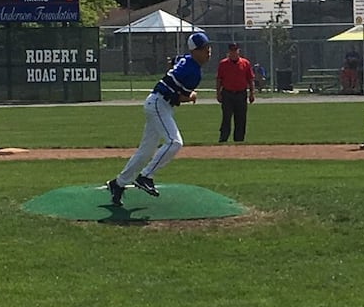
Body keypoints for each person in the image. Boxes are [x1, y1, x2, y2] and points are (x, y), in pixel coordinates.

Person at [107, 31, 212, 202]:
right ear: (194, 52)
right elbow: (178, 97)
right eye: (203, 49)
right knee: (175, 142)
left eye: (208, 47)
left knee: (145, 151)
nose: (207, 51)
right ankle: (145, 176)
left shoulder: (187, 60)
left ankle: (117, 184)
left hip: (157, 103)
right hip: (159, 104)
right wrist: (192, 96)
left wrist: (173, 65)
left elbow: (175, 60)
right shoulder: (193, 71)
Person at [215, 42, 255, 143]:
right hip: (227, 94)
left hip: (241, 94)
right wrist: (218, 93)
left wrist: (252, 93)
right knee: (226, 118)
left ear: (238, 51)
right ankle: (223, 138)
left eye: (235, 51)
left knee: (241, 118)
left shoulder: (245, 63)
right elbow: (219, 79)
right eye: (231, 51)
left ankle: (239, 140)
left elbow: (250, 79)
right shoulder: (223, 64)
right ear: (228, 52)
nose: (233, 53)